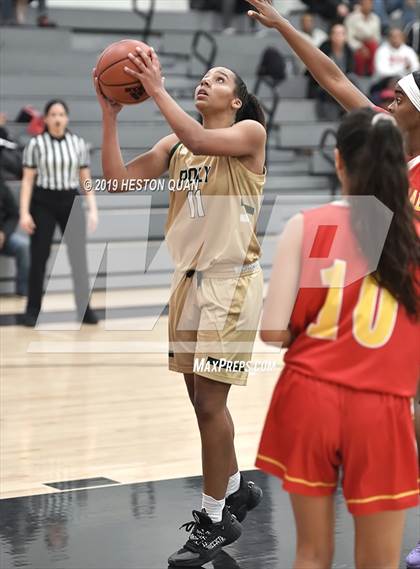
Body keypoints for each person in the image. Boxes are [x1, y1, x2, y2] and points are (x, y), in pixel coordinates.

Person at [246, 1, 420, 565]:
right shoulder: (378, 143)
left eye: (402, 97)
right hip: (376, 339)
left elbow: (275, 330)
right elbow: (332, 76)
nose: (389, 99)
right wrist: (286, 27)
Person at [94, 46, 267, 567]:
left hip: (229, 284)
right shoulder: (176, 145)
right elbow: (118, 180)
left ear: (235, 101)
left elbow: (197, 135)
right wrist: (110, 113)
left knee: (211, 406)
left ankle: (214, 519)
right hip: (188, 283)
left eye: (218, 79)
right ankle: (236, 487)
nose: (205, 83)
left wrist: (154, 89)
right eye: (204, 77)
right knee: (201, 404)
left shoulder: (249, 136)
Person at [19, 99, 99, 327]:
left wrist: (92, 208)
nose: (57, 118)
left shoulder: (78, 144)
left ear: (67, 118)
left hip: (70, 200)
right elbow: (27, 181)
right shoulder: (36, 145)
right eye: (53, 114)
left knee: (79, 260)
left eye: (61, 114)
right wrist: (25, 213)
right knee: (39, 258)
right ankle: (32, 310)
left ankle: (85, 310)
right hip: (42, 201)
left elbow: (86, 180)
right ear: (45, 119)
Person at [309, 23, 356, 118]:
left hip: (343, 82)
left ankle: (353, 112)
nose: (338, 36)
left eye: (341, 33)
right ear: (331, 36)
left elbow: (350, 70)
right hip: (324, 82)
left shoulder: (349, 50)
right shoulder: (324, 48)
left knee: (353, 82)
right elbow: (317, 70)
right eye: (336, 33)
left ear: (345, 37)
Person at [345, 0, 382, 76]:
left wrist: (369, 44)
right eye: (365, 3)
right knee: (359, 54)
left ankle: (371, 73)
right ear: (361, 4)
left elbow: (377, 37)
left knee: (373, 46)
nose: (368, 6)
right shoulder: (351, 18)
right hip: (356, 44)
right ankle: (359, 75)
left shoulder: (376, 18)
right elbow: (349, 38)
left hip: (370, 44)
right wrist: (360, 47)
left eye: (370, 4)